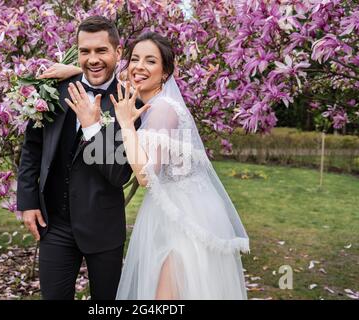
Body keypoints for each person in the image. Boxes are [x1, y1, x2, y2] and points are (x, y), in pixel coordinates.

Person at [41, 32, 249, 299]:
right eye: (135, 59)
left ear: (165, 72)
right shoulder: (144, 95)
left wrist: (126, 124)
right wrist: (73, 70)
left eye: (150, 61)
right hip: (168, 209)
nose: (139, 67)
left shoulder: (163, 110)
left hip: (185, 218)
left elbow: (145, 176)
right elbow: (109, 77)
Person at [16, 16, 145, 300]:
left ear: (118, 52)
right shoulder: (54, 88)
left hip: (103, 228)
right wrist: (27, 203)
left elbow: (120, 175)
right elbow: (32, 148)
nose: (92, 59)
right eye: (85, 51)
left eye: (101, 51)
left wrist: (92, 128)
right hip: (55, 225)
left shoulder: (129, 104)